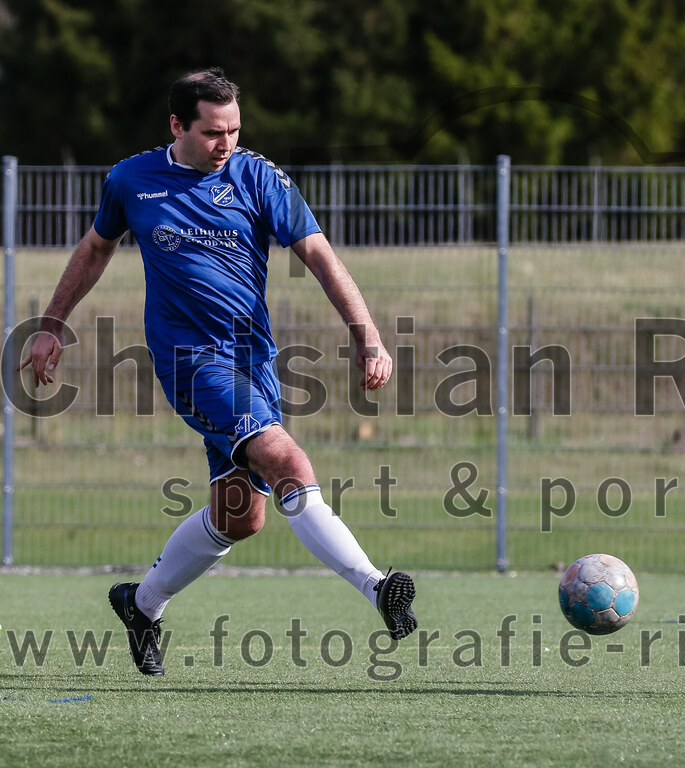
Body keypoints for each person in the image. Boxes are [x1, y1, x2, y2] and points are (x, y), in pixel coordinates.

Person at [20, 68, 417, 676]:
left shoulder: (258, 177)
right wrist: (52, 324)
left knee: (241, 516)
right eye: (212, 132)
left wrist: (367, 336)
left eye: (234, 129)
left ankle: (140, 605)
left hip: (254, 363)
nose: (226, 143)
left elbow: (318, 254)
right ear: (176, 126)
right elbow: (96, 248)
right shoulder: (132, 180)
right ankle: (377, 587)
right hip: (189, 362)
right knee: (288, 462)